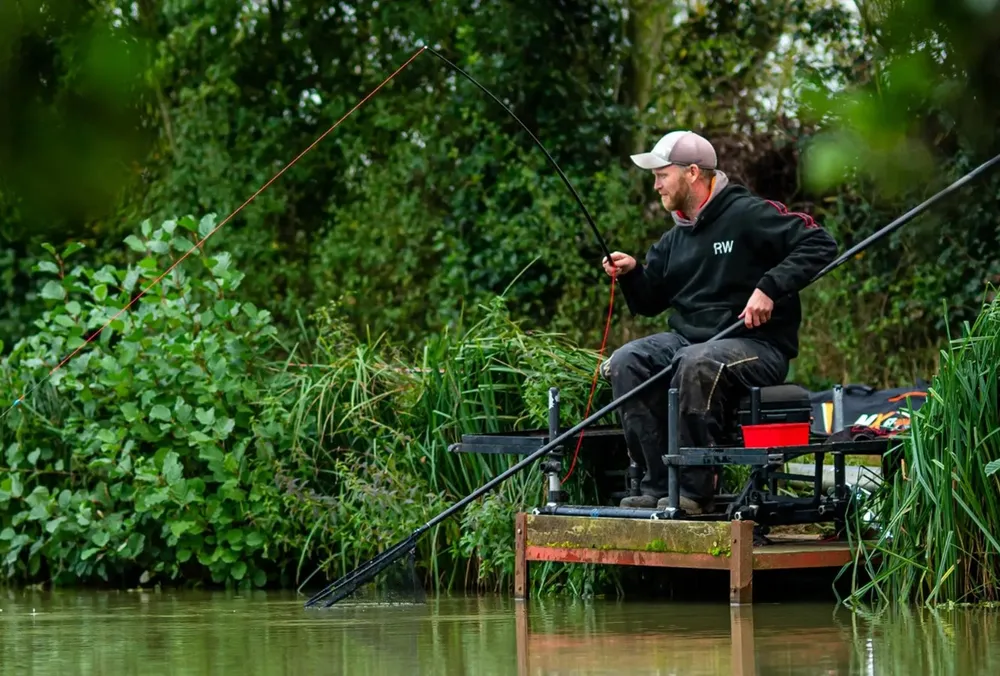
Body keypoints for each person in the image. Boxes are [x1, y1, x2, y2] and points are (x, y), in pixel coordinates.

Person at [600, 130, 838, 512]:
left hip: (758, 348)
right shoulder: (674, 239)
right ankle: (656, 484)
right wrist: (631, 273)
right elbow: (648, 302)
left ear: (692, 172)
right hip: (690, 344)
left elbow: (820, 243)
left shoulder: (746, 214)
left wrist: (769, 288)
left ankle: (694, 490)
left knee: (696, 361)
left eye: (662, 174)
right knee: (629, 359)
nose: (656, 184)